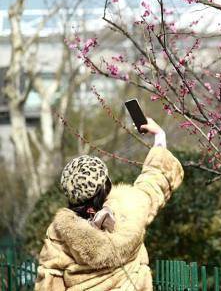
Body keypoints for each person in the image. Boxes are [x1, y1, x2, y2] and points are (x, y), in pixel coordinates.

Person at [35, 118, 184, 291]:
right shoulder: (132, 207)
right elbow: (155, 180)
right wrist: (159, 135)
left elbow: (49, 283)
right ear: (106, 186)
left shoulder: (59, 234)